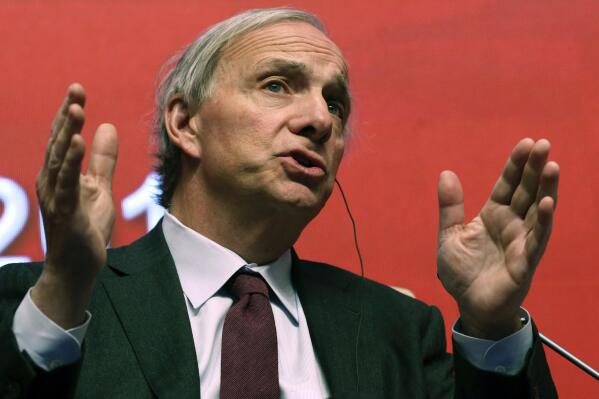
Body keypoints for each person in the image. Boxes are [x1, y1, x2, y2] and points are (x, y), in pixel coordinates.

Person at [0, 8, 559, 399]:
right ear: (184, 123)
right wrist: (65, 288)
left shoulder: (396, 331)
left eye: (334, 103)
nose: (320, 119)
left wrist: (492, 325)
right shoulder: (49, 303)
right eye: (277, 85)